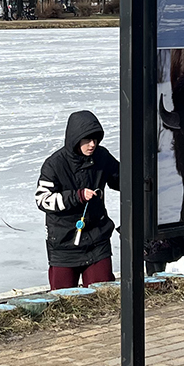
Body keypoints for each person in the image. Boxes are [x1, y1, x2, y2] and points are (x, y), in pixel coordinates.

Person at [36, 110, 121, 289]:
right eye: (87, 140)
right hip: (64, 244)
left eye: (95, 140)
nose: (92, 145)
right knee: (63, 302)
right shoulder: (54, 164)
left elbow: (121, 180)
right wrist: (77, 196)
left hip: (97, 240)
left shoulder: (102, 156)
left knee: (104, 298)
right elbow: (42, 200)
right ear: (75, 139)